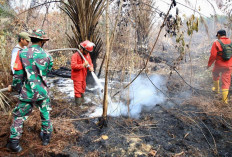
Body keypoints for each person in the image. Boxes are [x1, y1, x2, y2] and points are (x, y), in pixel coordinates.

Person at [6, 29, 53, 152]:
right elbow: (47, 72)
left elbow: (18, 75)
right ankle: (46, 138)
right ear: (43, 41)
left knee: (19, 116)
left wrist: (15, 88)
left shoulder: (21, 53)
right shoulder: (48, 56)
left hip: (27, 92)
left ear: (31, 39)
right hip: (42, 91)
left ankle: (14, 143)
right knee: (45, 113)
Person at [207, 29, 232, 104]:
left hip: (219, 65)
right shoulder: (231, 42)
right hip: (229, 65)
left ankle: (216, 90)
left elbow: (213, 55)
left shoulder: (216, 42)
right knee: (226, 82)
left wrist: (209, 65)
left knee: (215, 73)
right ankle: (225, 101)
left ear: (218, 35)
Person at [71, 40, 94, 106]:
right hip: (77, 77)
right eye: (87, 51)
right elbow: (73, 66)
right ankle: (78, 106)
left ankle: (82, 102)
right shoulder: (75, 55)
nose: (88, 53)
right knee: (78, 91)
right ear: (82, 49)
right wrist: (83, 65)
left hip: (83, 75)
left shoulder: (87, 54)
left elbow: (90, 63)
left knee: (83, 88)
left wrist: (91, 67)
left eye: (88, 52)